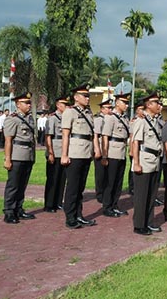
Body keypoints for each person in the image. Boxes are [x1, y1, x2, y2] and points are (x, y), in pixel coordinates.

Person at [61, 84, 99, 229]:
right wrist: (64, 155)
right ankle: (70, 217)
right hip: (75, 152)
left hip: (86, 152)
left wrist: (95, 149)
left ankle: (78, 215)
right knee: (72, 187)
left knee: (80, 187)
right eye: (85, 95)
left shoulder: (89, 113)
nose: (87, 98)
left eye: (88, 95)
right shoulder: (69, 112)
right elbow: (65, 135)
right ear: (76, 97)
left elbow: (92, 134)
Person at [130, 92, 164, 235]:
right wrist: (136, 163)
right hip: (144, 161)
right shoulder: (140, 121)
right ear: (148, 105)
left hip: (154, 161)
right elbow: (135, 142)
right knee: (141, 196)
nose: (159, 105)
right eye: (156, 102)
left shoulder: (155, 121)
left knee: (151, 195)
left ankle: (149, 222)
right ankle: (139, 225)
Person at [2, 93, 37, 224]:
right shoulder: (12, 119)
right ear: (18, 104)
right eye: (26, 103)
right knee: (13, 185)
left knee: (22, 184)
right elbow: (8, 141)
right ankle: (9, 211)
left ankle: (18, 208)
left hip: (28, 155)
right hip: (16, 155)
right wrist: (7, 159)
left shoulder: (30, 119)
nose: (29, 105)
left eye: (29, 103)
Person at [101, 93, 131, 217]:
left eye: (127, 103)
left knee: (118, 181)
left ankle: (115, 204)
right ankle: (107, 207)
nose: (127, 105)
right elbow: (105, 137)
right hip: (112, 152)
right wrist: (104, 155)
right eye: (124, 102)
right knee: (110, 181)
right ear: (117, 103)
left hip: (122, 151)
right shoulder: (110, 118)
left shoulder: (125, 118)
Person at [44, 96, 70, 212]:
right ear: (58, 105)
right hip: (55, 150)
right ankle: (49, 204)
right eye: (65, 104)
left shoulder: (67, 118)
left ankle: (58, 202)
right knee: (52, 179)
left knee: (62, 179)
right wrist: (50, 153)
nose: (67, 107)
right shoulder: (52, 119)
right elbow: (48, 137)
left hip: (64, 152)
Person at [93, 99, 112, 203]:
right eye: (108, 108)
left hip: (108, 148)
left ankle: (105, 192)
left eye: (110, 107)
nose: (110, 110)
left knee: (107, 174)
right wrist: (97, 149)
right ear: (102, 109)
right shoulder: (98, 120)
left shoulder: (110, 119)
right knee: (100, 173)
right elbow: (95, 135)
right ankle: (99, 193)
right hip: (100, 147)